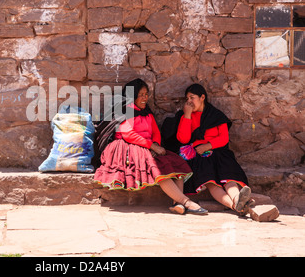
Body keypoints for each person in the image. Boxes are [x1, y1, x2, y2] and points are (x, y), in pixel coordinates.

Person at [94, 78, 208, 215]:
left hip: (148, 147)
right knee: (158, 170)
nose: (145, 98)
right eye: (141, 95)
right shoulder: (127, 109)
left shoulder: (147, 112)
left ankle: (177, 203)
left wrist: (156, 146)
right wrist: (152, 147)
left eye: (146, 94)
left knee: (175, 165)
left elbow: (155, 132)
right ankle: (186, 202)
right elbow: (128, 134)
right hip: (129, 147)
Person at [174, 83, 252, 215]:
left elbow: (224, 138)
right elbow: (183, 139)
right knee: (211, 182)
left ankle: (237, 198)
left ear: (202, 97)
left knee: (229, 179)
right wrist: (187, 115)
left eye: (192, 98)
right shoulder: (186, 116)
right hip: (199, 156)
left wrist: (207, 146)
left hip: (219, 153)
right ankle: (236, 206)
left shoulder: (216, 115)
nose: (189, 102)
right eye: (187, 99)